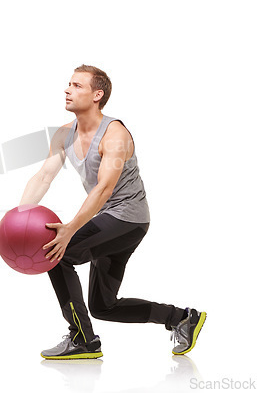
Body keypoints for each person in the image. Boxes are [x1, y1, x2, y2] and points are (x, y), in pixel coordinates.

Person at [19, 64, 206, 359]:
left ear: (97, 95)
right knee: (103, 306)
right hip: (110, 219)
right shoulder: (64, 134)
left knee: (58, 252)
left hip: (129, 219)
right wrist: (21, 214)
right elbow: (44, 176)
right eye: (68, 84)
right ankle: (181, 318)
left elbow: (104, 188)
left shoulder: (114, 134)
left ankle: (83, 340)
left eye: (77, 86)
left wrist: (69, 230)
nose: (68, 90)